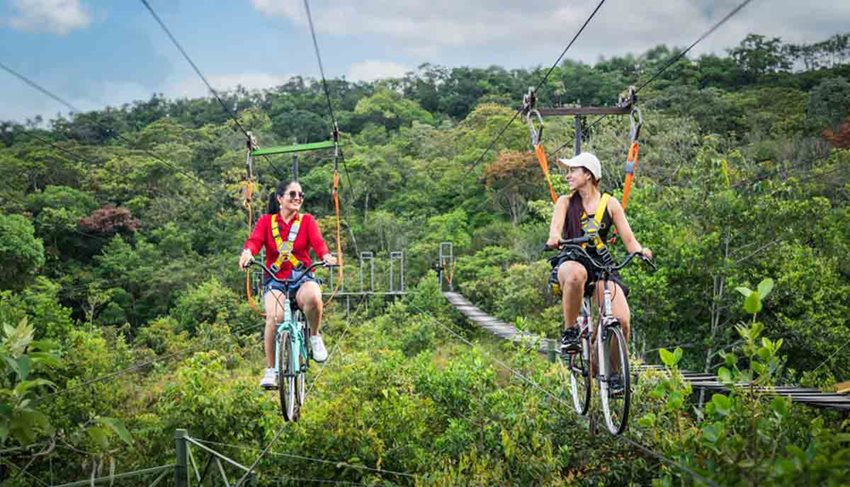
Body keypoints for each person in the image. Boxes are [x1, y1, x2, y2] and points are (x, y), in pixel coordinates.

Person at [546, 152, 652, 354]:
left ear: (588, 175)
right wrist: (554, 239)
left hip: (601, 265)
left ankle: (611, 373)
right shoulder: (565, 202)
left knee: (621, 320)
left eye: (572, 171)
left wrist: (641, 252)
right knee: (576, 274)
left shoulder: (610, 204)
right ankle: (570, 332)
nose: (568, 176)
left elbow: (630, 241)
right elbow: (555, 230)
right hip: (572, 259)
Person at [239, 180, 337, 389]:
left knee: (313, 297)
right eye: (292, 194)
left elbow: (318, 243)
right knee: (275, 318)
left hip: (301, 276)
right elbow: (255, 241)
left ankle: (314, 336)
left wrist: (326, 255)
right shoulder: (267, 222)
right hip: (275, 280)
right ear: (280, 198)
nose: (297, 198)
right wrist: (248, 253)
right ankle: (271, 369)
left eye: (300, 195)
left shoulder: (307, 221)